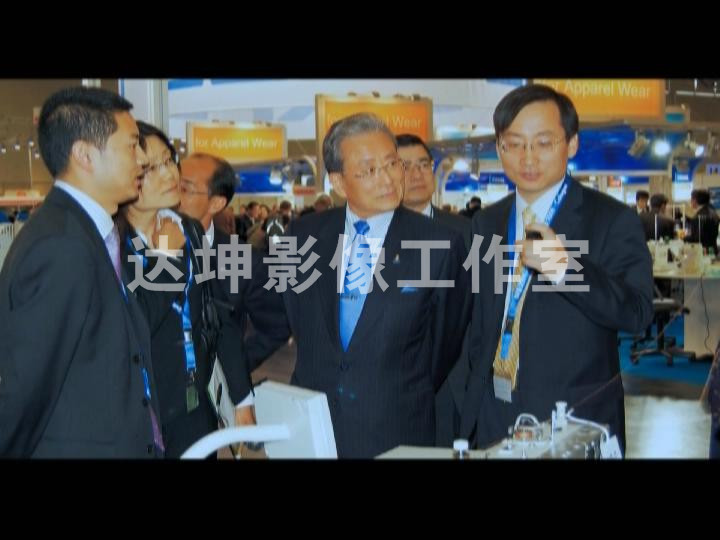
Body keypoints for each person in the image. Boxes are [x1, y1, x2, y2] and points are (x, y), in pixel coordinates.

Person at [459, 84, 653, 455]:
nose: (528, 158)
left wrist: (567, 269)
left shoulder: (611, 219)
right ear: (499, 148)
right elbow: (482, 319)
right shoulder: (487, 222)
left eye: (544, 143)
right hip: (493, 411)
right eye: (514, 144)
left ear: (572, 144)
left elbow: (638, 312)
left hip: (574, 417)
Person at [283, 113, 471, 458]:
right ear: (338, 183)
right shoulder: (304, 236)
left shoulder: (438, 244)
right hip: (317, 426)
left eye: (392, 164)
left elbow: (444, 344)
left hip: (395, 426)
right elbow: (297, 321)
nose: (388, 179)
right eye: (369, 170)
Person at [0, 87, 167, 457]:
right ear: (84, 155)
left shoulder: (91, 233)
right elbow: (26, 391)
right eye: (132, 146)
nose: (142, 160)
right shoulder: (61, 245)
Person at [116, 122, 227, 458]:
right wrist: (164, 258)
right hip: (144, 414)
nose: (169, 174)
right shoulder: (112, 246)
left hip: (194, 406)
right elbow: (134, 325)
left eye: (168, 160)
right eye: (151, 168)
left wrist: (239, 397)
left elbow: (213, 308)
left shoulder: (189, 230)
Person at [178, 152, 291, 426]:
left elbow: (276, 326)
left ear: (216, 202)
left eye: (184, 188)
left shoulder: (240, 258)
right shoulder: (141, 248)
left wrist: (228, 367)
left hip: (205, 409)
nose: (172, 194)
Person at [396, 132, 471, 447]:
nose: (417, 174)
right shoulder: (372, 234)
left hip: (453, 383)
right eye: (405, 166)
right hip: (394, 385)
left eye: (423, 164)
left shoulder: (466, 231)